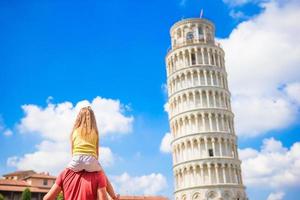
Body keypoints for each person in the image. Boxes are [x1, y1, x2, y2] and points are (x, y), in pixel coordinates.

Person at [44, 106, 119, 200]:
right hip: (91, 159)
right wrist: (96, 163)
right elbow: (96, 150)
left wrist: (74, 161)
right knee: (104, 176)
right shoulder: (95, 132)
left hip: (76, 159)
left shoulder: (74, 131)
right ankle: (114, 196)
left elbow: (73, 149)